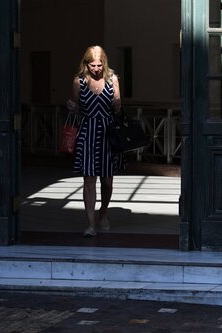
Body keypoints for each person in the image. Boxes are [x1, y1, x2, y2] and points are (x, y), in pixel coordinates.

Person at [66, 45, 125, 238]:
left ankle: (104, 212)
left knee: (107, 181)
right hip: (87, 133)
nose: (97, 69)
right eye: (93, 65)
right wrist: (71, 106)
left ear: (104, 63)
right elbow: (76, 107)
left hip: (107, 135)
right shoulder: (79, 81)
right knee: (89, 181)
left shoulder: (113, 80)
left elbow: (117, 110)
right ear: (86, 64)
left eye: (99, 65)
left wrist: (117, 104)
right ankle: (90, 224)